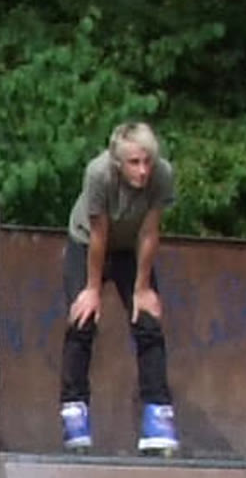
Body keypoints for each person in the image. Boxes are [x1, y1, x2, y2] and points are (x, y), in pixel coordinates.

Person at [58, 121, 177, 454]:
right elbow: (99, 234)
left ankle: (157, 413)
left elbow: (150, 232)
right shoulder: (98, 174)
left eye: (147, 161)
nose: (143, 171)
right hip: (88, 243)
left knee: (148, 321)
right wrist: (92, 289)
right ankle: (74, 410)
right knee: (83, 319)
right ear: (117, 162)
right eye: (134, 163)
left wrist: (142, 288)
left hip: (131, 249)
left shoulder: (162, 175)